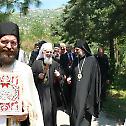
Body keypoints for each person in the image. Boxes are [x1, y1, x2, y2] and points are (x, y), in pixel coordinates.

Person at [0, 22, 44, 126]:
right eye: (4, 42)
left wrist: (27, 113)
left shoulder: (25, 70)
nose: (9, 46)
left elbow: (34, 106)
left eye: (13, 43)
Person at [68, 40, 101, 126]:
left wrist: (92, 96)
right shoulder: (76, 60)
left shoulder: (92, 60)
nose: (75, 52)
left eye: (77, 50)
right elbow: (72, 73)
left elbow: (96, 79)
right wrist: (70, 78)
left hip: (87, 95)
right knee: (74, 115)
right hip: (75, 95)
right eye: (75, 50)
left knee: (84, 117)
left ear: (83, 49)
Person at [31, 42, 62, 126]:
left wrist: (58, 76)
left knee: (50, 114)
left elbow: (61, 79)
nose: (48, 54)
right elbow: (30, 78)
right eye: (47, 52)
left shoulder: (55, 64)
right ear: (42, 52)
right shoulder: (36, 63)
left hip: (51, 93)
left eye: (50, 52)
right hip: (40, 92)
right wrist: (38, 77)